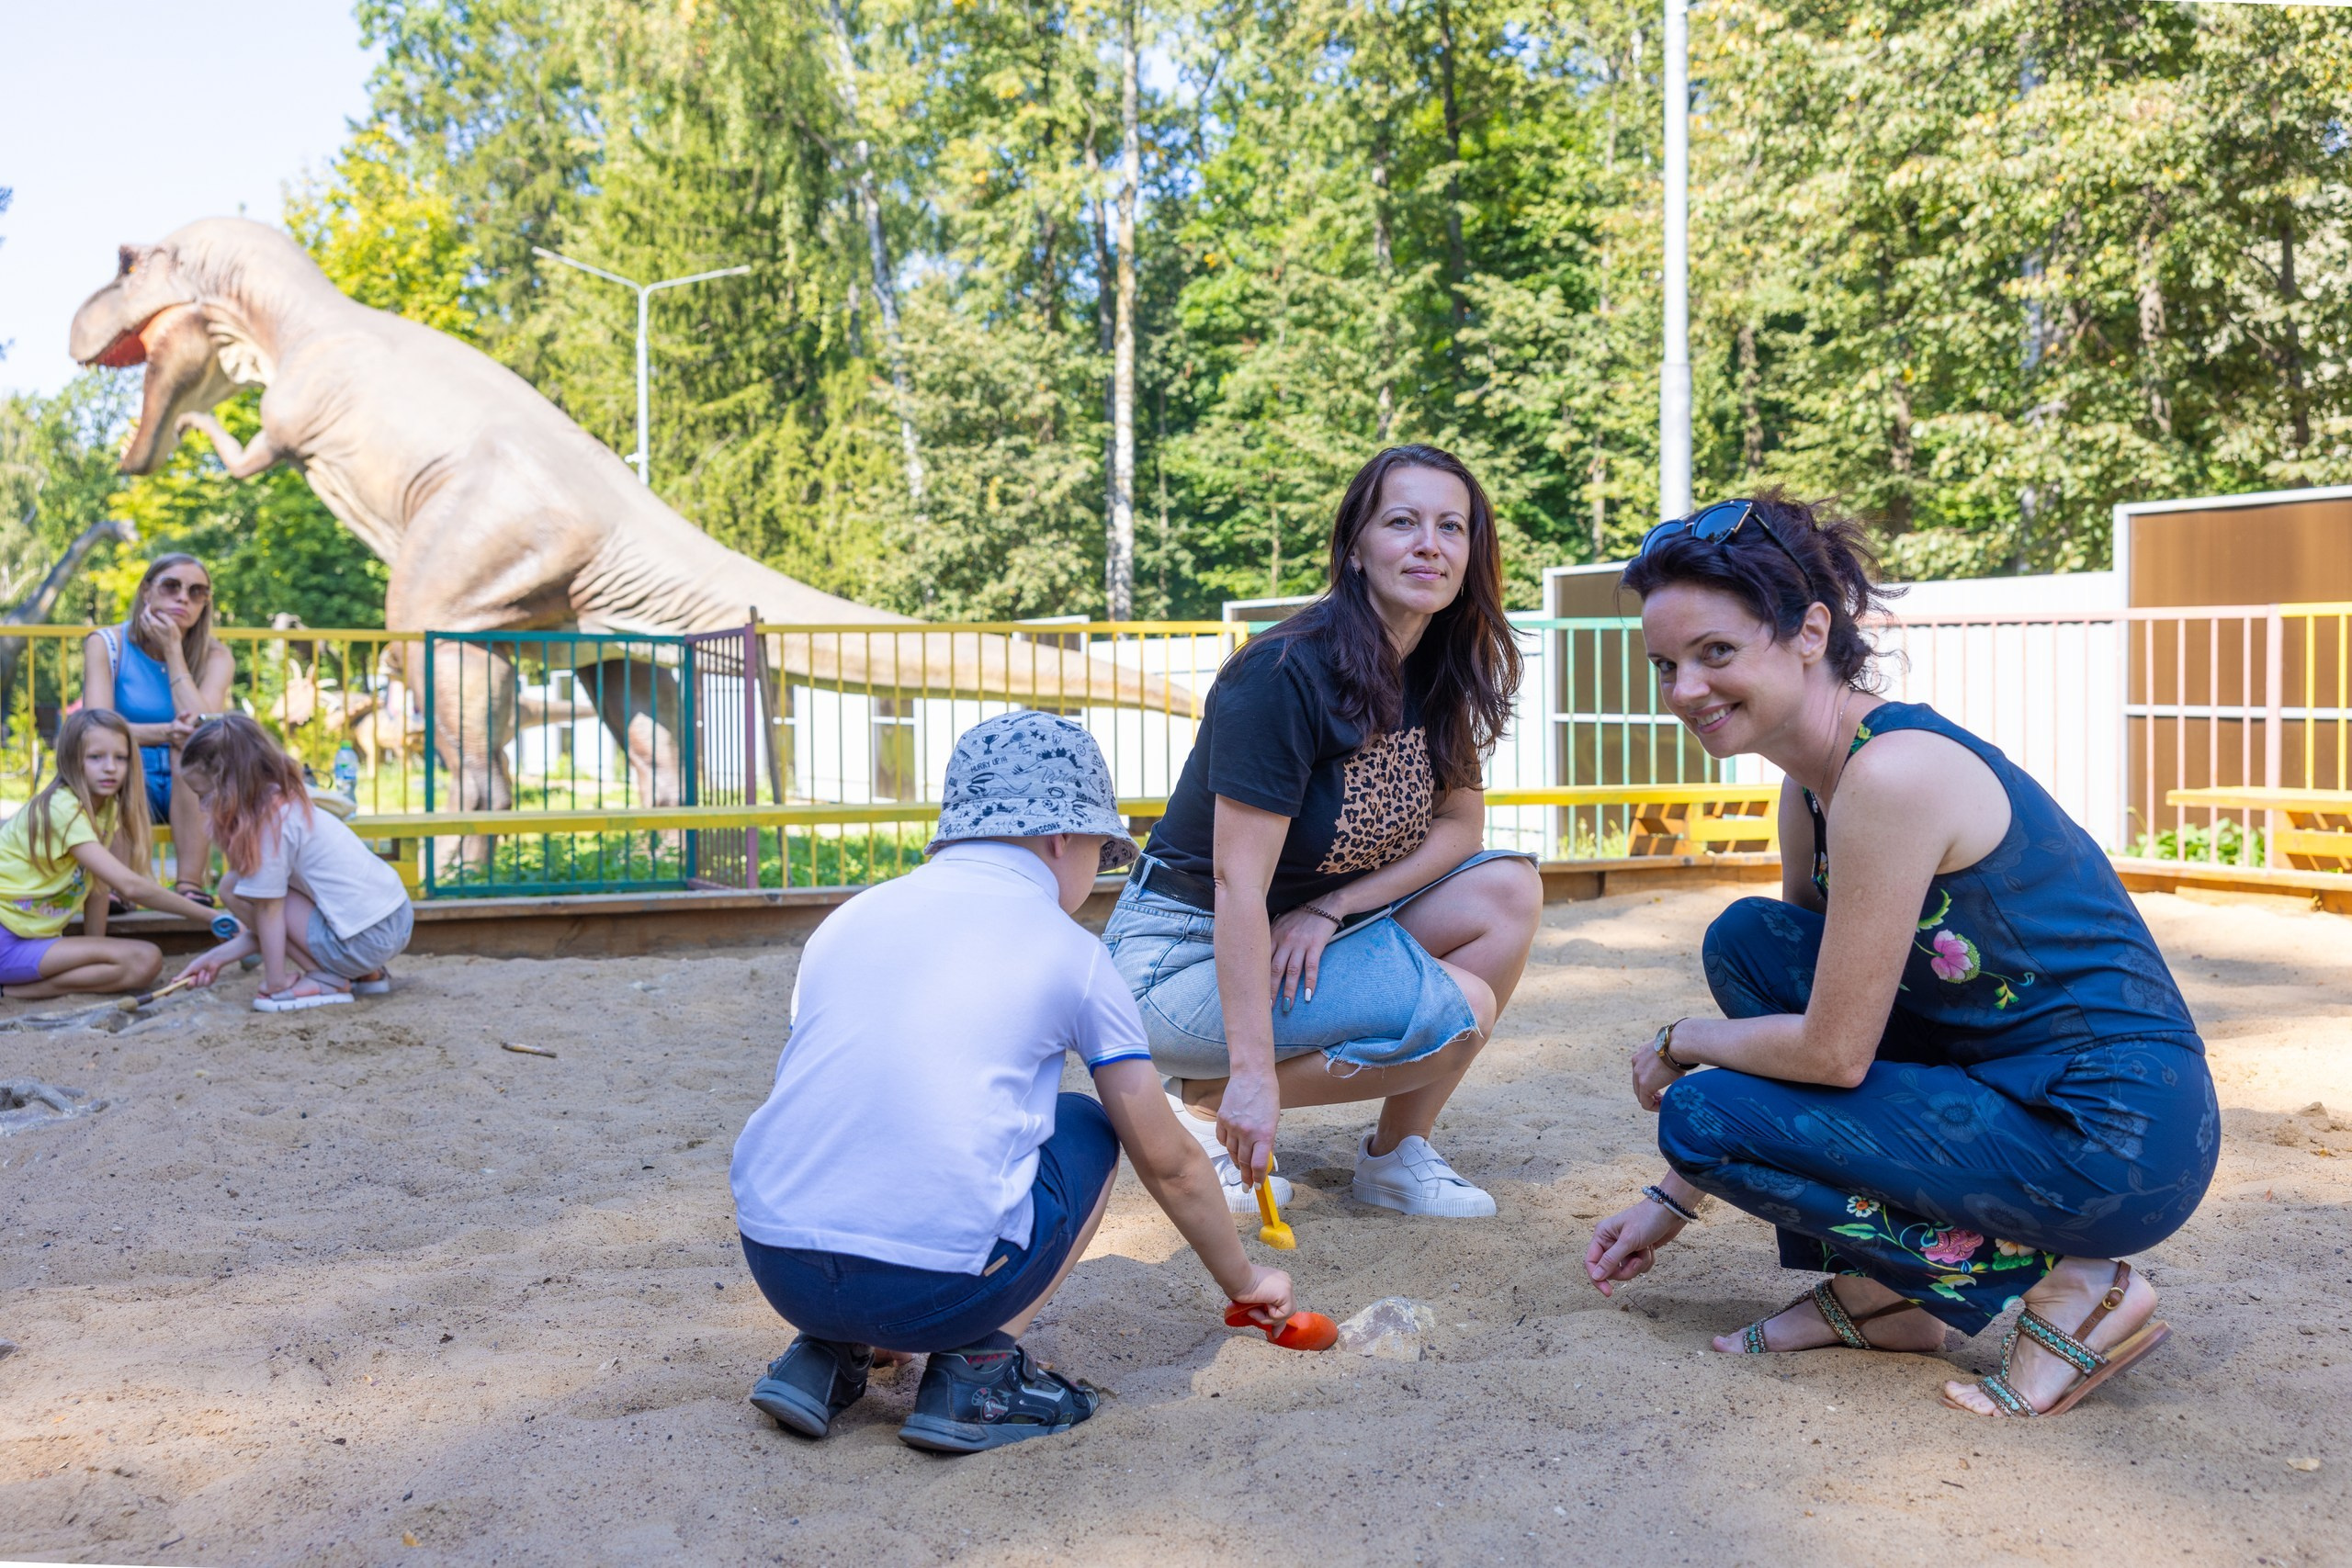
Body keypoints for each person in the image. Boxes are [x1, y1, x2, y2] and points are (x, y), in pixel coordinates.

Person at [1581, 492, 2215, 1420]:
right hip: (2010, 1092)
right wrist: (1667, 1201)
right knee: (1753, 946)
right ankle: (1892, 1297)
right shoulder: (1811, 790)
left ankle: (2077, 1290)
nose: (1683, 690)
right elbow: (1810, 1024)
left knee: (1705, 1109)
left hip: (2112, 1137)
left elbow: (1831, 1054)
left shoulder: (1891, 773)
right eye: (1665, 665)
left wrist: (1682, 1040)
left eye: (1714, 653)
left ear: (1808, 631)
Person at [730, 711, 1296, 1454]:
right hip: (930, 1288)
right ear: (1061, 837)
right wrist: (1244, 1277)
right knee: (1092, 1125)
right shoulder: (1068, 950)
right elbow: (1170, 1160)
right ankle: (980, 1370)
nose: (1095, 871)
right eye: (1099, 849)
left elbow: (842, 1104)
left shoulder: (847, 920)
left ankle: (825, 1353)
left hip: (780, 1265)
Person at [1102, 445, 1543, 1220]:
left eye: (1451, 526)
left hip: (1302, 931)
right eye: (1402, 522)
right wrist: (1253, 1074)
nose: (1428, 544)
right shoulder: (1283, 674)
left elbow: (1462, 825)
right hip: (1179, 955)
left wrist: (1333, 906)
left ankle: (1396, 1156)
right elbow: (1238, 885)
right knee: (1456, 1011)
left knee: (1508, 889)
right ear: (1356, 545)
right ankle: (1206, 1103)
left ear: (1473, 553)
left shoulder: (1436, 665)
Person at [173, 715, 413, 1011]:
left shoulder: (269, 826)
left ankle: (328, 979)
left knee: (235, 889)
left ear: (230, 786)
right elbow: (274, 924)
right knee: (244, 886)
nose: (201, 807)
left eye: (204, 795)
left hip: (364, 941)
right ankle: (368, 973)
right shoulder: (289, 797)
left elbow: (270, 911)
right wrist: (217, 957)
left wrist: (275, 984)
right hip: (397, 920)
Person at [0, 709, 232, 998]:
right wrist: (211, 917)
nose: (110, 767)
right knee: (145, 959)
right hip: (6, 939)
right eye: (95, 757)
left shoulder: (105, 809)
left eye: (120, 758)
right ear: (73, 760)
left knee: (142, 965)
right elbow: (130, 886)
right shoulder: (62, 808)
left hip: (29, 941)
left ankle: (13, 989)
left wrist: (95, 949)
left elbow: (97, 889)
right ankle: (13, 992)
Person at [83, 554, 235, 903]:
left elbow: (202, 729)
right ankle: (118, 889)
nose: (183, 597)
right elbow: (95, 727)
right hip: (129, 774)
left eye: (197, 592)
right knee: (116, 761)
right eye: (171, 586)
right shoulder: (106, 644)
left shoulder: (216, 656)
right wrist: (166, 733)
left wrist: (173, 651)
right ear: (146, 592)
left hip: (192, 784)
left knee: (191, 750)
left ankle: (189, 886)